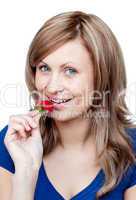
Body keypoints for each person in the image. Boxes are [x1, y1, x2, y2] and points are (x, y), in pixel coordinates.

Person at [0, 10, 136, 200]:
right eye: (44, 68)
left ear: (102, 77)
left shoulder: (132, 148)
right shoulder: (13, 141)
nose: (52, 87)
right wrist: (26, 173)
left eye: (70, 71)